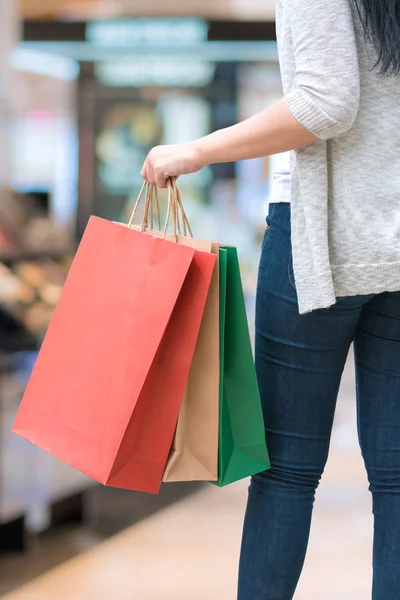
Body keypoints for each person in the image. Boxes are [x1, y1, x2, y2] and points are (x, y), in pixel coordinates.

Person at [141, 0, 400, 597]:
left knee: (286, 470)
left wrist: (197, 150)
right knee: (395, 477)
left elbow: (324, 103)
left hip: (322, 235)